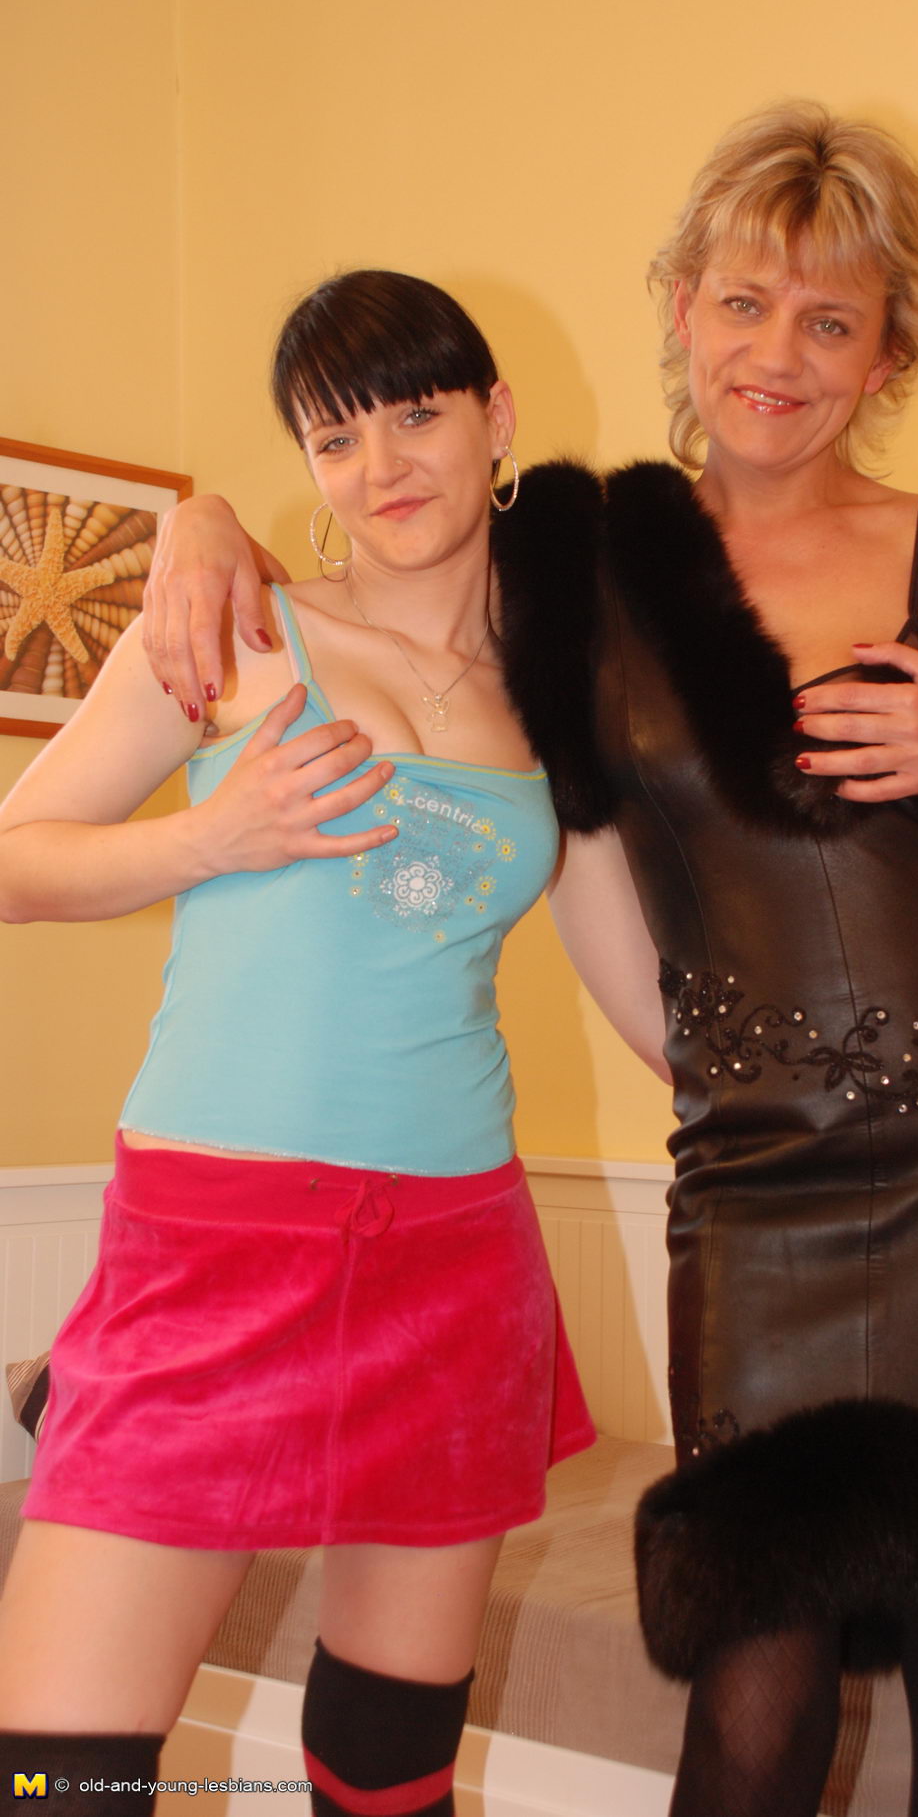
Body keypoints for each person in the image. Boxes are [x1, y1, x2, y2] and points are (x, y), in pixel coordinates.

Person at [138, 107, 918, 1817]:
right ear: (680, 307)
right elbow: (372, 566)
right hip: (761, 1169)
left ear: (887, 355)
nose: (776, 355)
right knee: (754, 1673)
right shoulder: (576, 559)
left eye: (830, 320)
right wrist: (202, 520)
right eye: (743, 304)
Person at [0, 270, 632, 1817]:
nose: (382, 465)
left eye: (417, 414)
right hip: (208, 1249)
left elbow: (666, 1014)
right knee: (57, 1777)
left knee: (390, 1769)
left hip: (451, 1259)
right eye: (336, 437)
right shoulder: (236, 627)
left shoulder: (561, 697)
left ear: (497, 418)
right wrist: (211, 840)